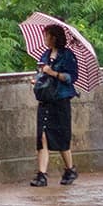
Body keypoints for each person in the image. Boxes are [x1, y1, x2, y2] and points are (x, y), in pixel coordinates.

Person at [31, 26, 80, 187]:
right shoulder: (45, 55)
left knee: (61, 137)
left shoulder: (67, 56)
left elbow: (71, 77)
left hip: (60, 100)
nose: (45, 38)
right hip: (46, 100)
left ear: (54, 37)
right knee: (43, 136)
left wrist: (53, 73)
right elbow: (41, 73)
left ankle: (70, 169)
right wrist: (37, 79)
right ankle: (42, 174)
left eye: (47, 36)